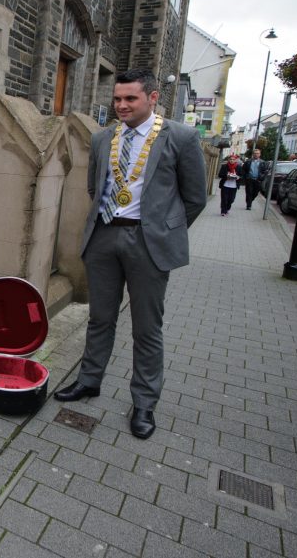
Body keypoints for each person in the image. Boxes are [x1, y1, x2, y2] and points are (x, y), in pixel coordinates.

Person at [54, 68, 206, 440]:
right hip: (105, 237)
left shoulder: (181, 137)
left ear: (153, 98)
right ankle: (89, 381)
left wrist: (162, 230)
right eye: (117, 99)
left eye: (130, 99)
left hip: (148, 244)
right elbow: (95, 187)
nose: (121, 105)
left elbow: (195, 198)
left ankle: (144, 404)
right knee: (100, 319)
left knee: (147, 329)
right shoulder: (103, 137)